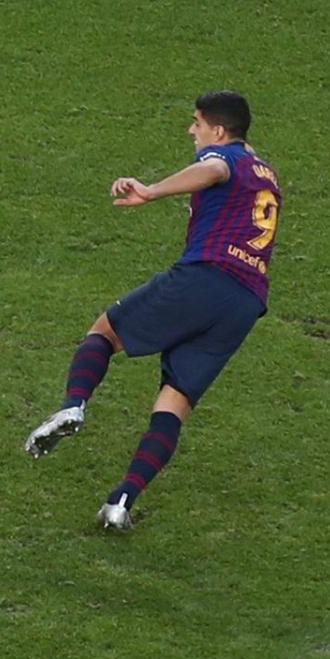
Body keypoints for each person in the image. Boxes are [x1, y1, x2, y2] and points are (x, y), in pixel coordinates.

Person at [23, 92, 281, 531]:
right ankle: (120, 502)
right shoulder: (263, 170)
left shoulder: (224, 159)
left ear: (219, 131)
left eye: (196, 123)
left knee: (105, 332)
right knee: (175, 401)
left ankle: (73, 406)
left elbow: (213, 168)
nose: (191, 130)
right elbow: (241, 151)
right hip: (245, 302)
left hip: (207, 276)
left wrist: (152, 190)